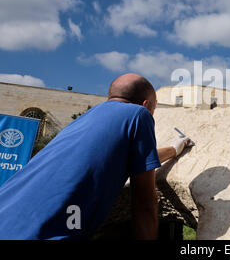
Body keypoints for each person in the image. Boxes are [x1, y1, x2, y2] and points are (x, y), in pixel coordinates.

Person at [0, 73, 192, 240]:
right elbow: (144, 203)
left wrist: (174, 149)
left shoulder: (87, 117)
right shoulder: (139, 114)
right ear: (146, 104)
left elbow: (138, 160)